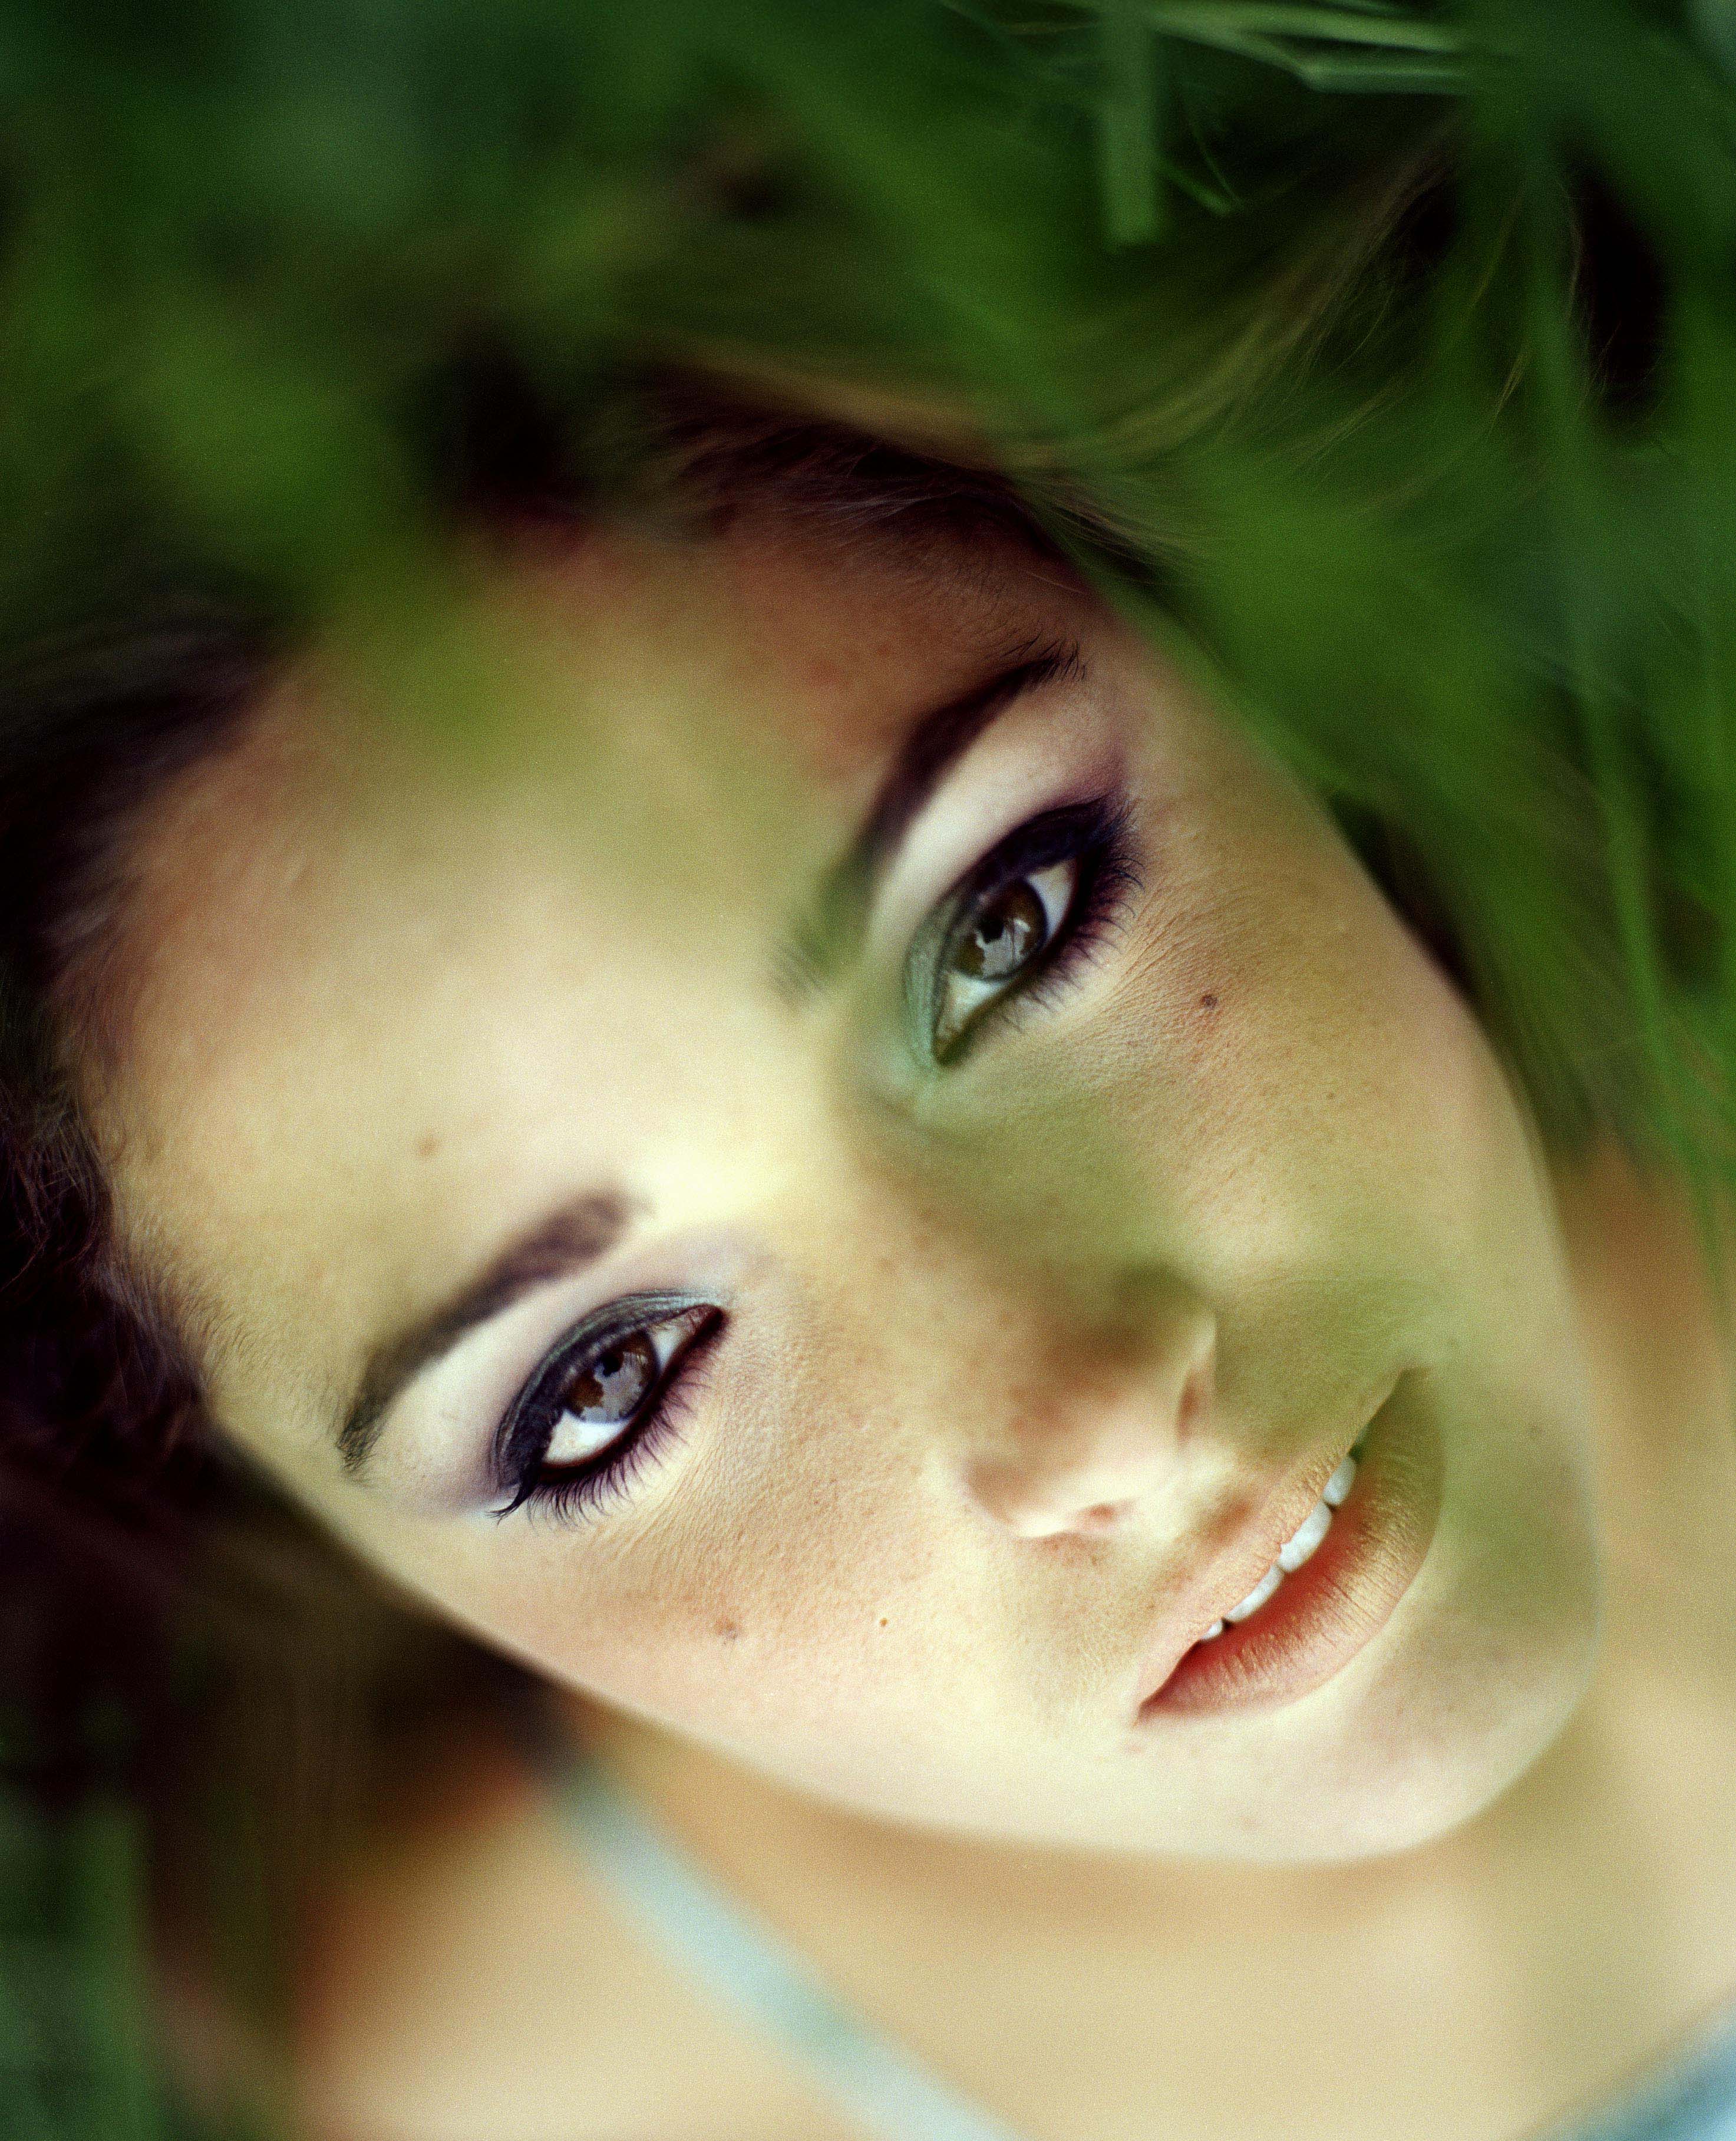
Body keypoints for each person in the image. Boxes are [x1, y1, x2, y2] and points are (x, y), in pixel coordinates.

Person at [5, 6, 1736, 2139]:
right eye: (606, 1386)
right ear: (301, 1532)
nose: (1099, 1408)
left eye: (1007, 929)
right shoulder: (569, 2087)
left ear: (1223, 648)